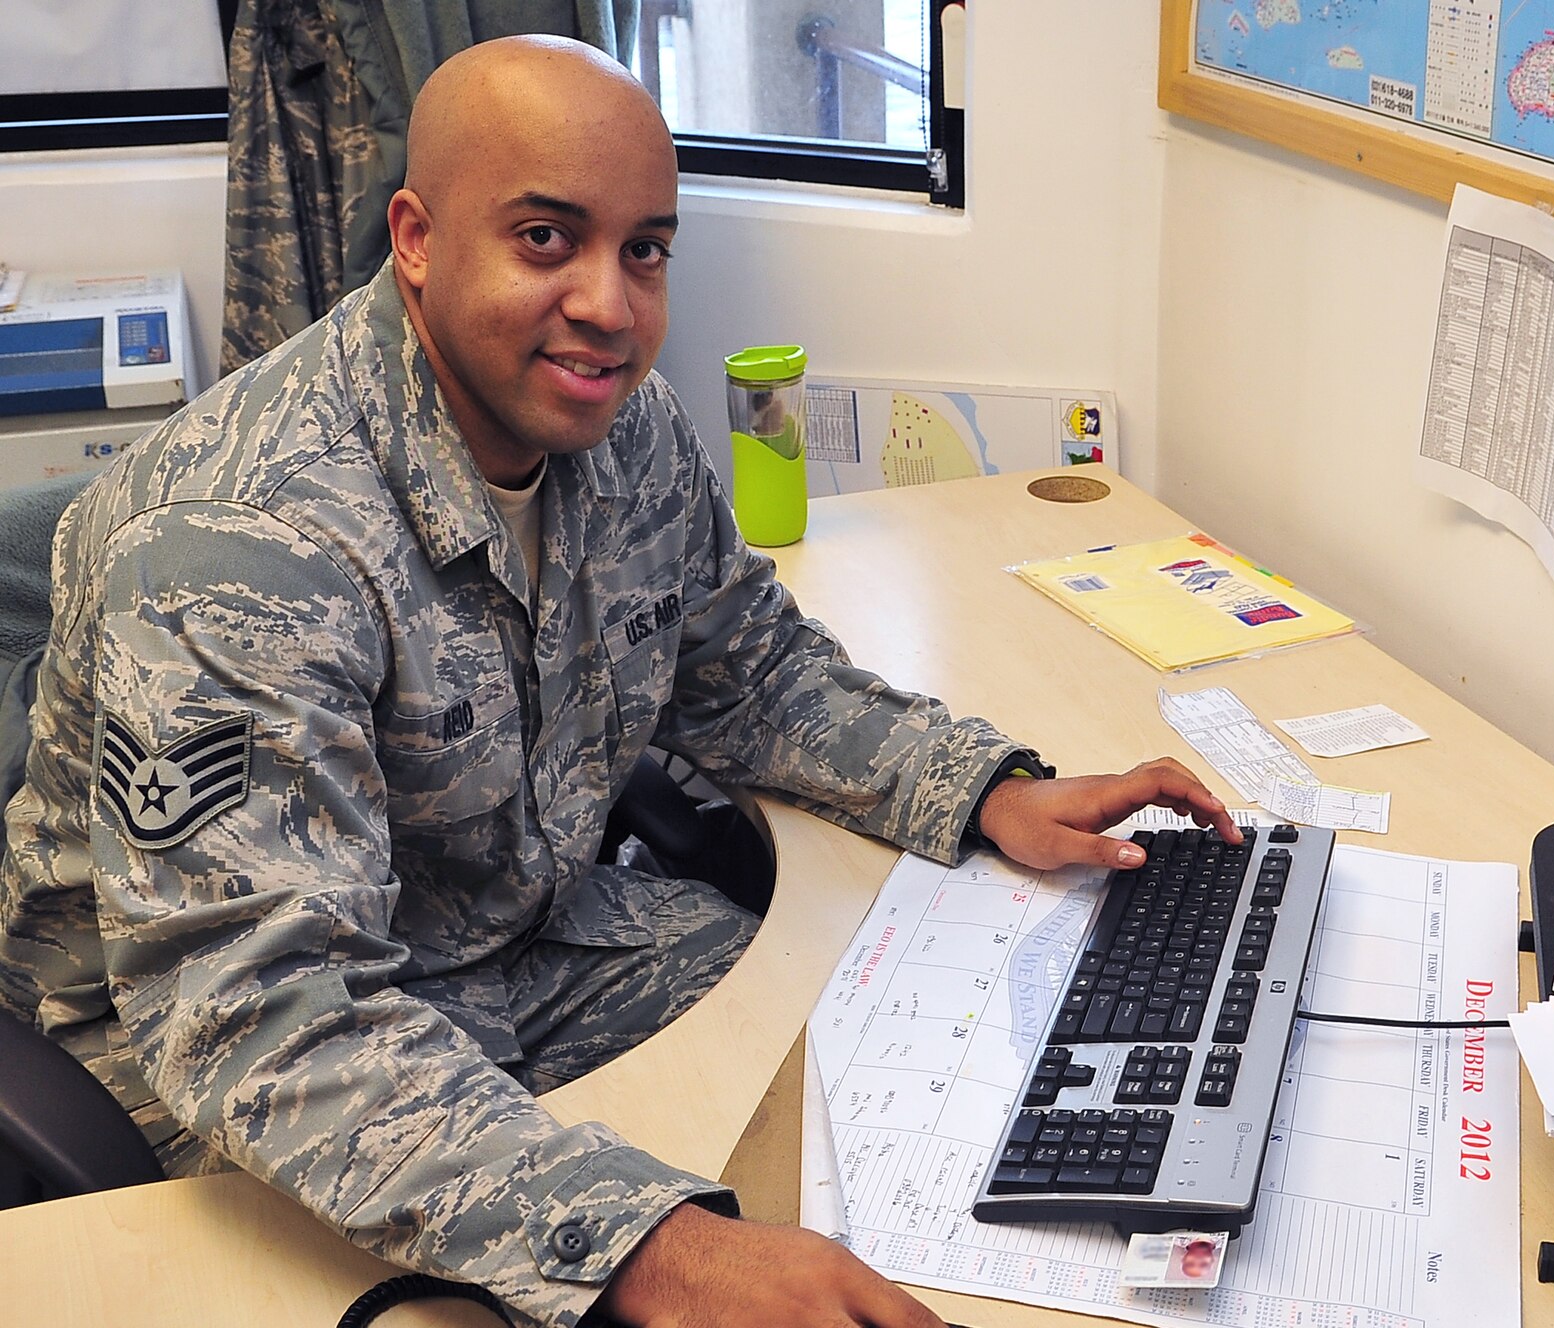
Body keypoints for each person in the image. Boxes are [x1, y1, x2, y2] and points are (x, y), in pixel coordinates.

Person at [0, 34, 1239, 1328]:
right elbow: (262, 1018)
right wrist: (657, 1251)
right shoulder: (242, 548)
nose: (611, 304)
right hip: (236, 1073)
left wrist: (984, 790)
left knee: (878, 1066)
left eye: (646, 249)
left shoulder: (614, 421)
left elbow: (750, 672)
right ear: (415, 238)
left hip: (507, 947)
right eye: (546, 239)